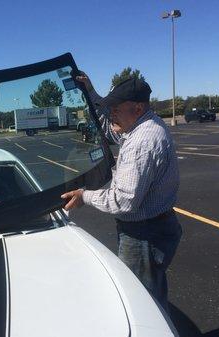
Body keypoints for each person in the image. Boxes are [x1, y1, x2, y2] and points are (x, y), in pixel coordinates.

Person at [61, 73, 182, 311]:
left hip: (144, 236)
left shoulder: (142, 142)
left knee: (141, 303)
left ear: (137, 108)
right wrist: (91, 93)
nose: (112, 112)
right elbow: (110, 127)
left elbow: (123, 201)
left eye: (116, 108)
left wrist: (84, 196)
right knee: (153, 294)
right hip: (152, 229)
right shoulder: (143, 125)